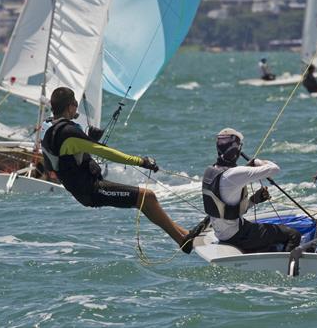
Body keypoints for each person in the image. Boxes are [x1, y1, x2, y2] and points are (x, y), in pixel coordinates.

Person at [41, 87, 209, 253]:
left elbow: (63, 157)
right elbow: (107, 153)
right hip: (90, 190)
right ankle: (182, 240)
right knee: (147, 197)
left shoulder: (48, 128)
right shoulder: (69, 132)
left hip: (83, 188)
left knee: (145, 200)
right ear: (71, 106)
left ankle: (185, 235)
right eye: (75, 106)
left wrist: (90, 140)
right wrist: (141, 161)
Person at [202, 128, 301, 254]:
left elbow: (228, 210)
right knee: (294, 235)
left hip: (223, 234)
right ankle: (286, 267)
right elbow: (274, 169)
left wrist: (254, 200)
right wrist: (256, 161)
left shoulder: (211, 171)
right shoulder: (234, 174)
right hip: (238, 236)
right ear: (237, 150)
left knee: (271, 241)